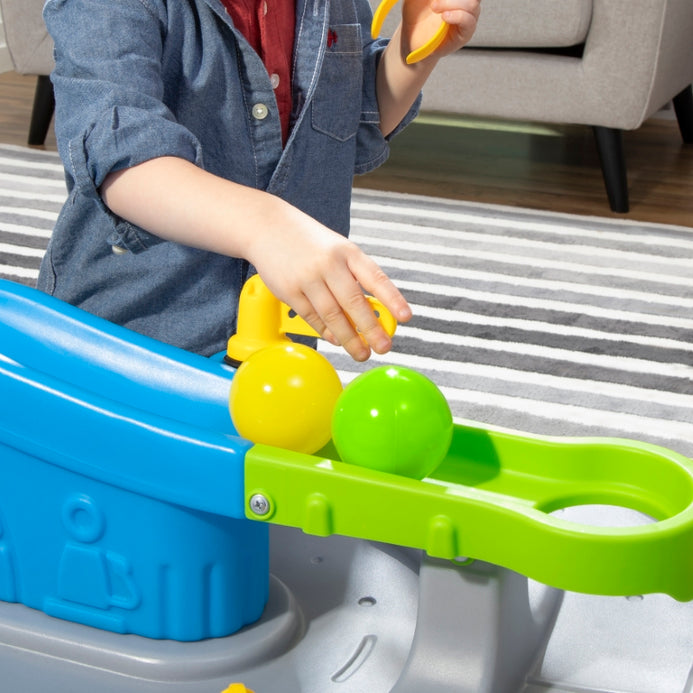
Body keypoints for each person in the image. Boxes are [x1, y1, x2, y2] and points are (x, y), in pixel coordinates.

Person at [38, 0, 480, 361]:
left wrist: (412, 52)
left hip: (277, 350)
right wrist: (267, 225)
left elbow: (352, 127)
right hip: (123, 343)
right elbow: (125, 160)